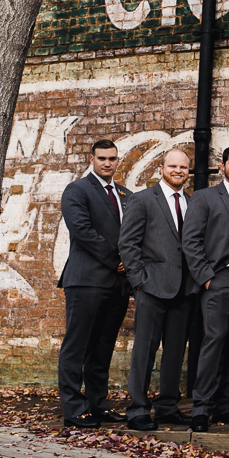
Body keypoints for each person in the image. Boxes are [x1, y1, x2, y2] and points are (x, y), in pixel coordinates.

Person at [56, 139, 133, 428]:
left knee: (103, 347)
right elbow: (83, 231)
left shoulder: (126, 194)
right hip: (86, 280)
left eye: (112, 158)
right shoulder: (77, 190)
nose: (107, 163)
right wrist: (116, 259)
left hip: (118, 283)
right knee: (77, 346)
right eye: (102, 158)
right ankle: (73, 409)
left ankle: (98, 405)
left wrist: (129, 262)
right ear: (92, 158)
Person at [119, 148, 196, 431]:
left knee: (175, 352)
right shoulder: (142, 200)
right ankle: (138, 409)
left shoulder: (191, 202)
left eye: (184, 167)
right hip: (151, 287)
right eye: (173, 166)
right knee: (145, 350)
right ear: (161, 168)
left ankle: (166, 407)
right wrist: (139, 281)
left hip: (183, 290)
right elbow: (127, 244)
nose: (178, 171)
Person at [180, 144, 229, 432]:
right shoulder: (205, 197)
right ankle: (202, 407)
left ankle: (225, 404)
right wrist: (206, 277)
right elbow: (191, 240)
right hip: (220, 278)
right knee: (214, 341)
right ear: (223, 166)